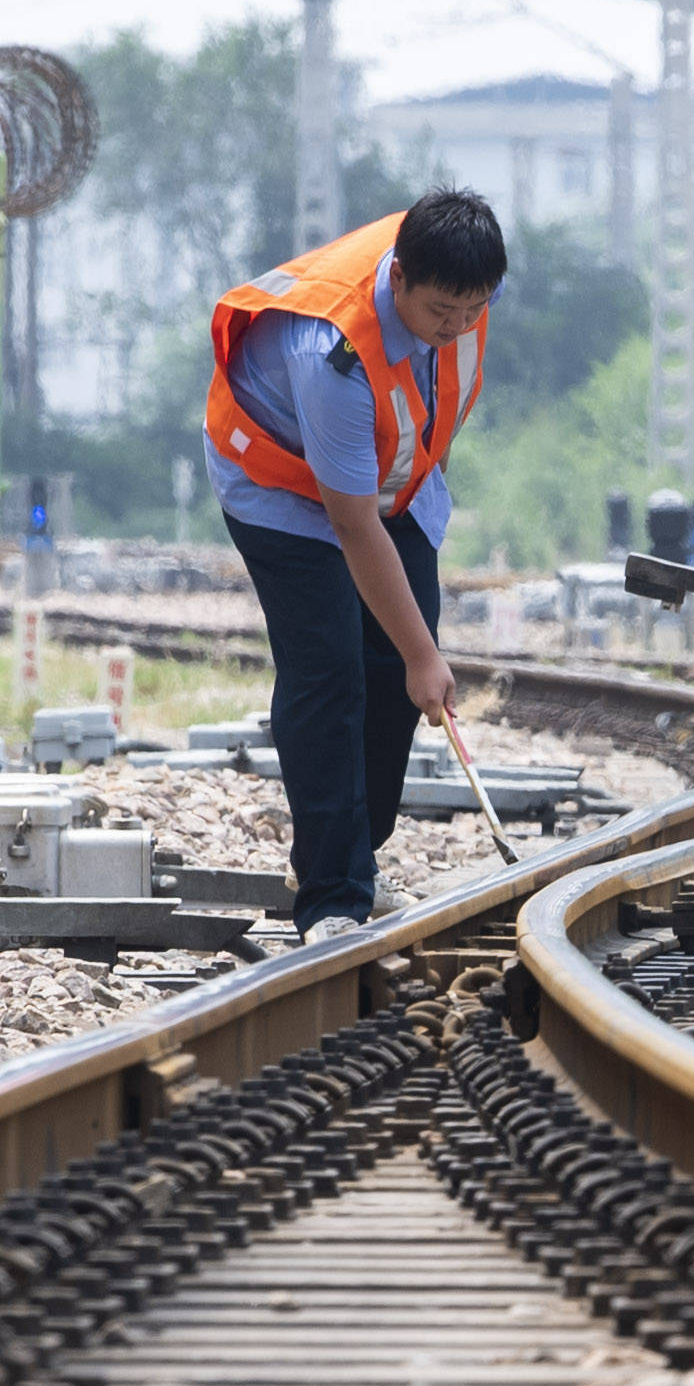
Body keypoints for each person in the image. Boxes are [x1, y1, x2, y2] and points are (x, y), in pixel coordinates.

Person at [205, 190, 503, 936]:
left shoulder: (459, 288)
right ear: (398, 279)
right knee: (329, 668)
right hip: (279, 483)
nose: (458, 327)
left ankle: (355, 860)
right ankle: (333, 897)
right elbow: (350, 521)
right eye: (442, 313)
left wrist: (411, 656)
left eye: (473, 310)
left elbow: (409, 433)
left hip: (390, 482)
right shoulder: (331, 353)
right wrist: (423, 656)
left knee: (393, 675)